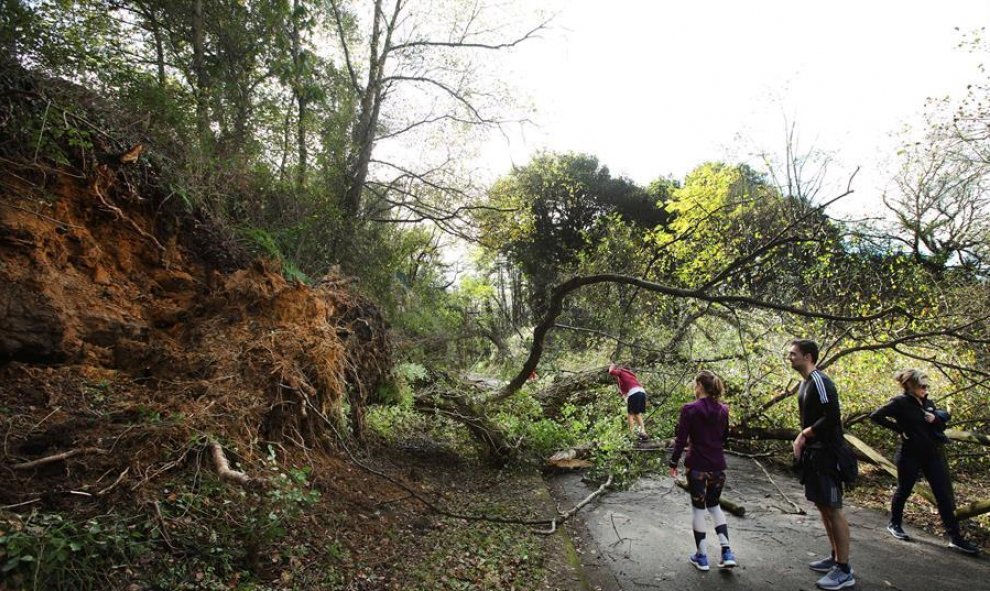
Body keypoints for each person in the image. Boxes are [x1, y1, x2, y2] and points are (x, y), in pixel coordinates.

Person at [869, 369, 981, 555]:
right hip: (909, 454)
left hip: (932, 455)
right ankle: (894, 523)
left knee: (943, 495)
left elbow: (940, 425)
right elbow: (875, 416)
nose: (925, 389)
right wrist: (899, 429)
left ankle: (955, 538)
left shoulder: (928, 403)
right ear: (911, 386)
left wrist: (935, 418)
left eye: (927, 385)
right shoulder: (899, 402)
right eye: (922, 385)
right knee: (904, 490)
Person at [788, 339, 855, 591]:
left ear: (808, 356)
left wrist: (804, 434)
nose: (789, 357)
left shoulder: (820, 381)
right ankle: (835, 556)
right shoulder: (803, 383)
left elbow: (832, 417)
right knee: (823, 507)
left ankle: (844, 569)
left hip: (829, 455)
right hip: (814, 456)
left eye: (793, 354)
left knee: (834, 507)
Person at [668, 370, 737, 571]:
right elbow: (724, 437)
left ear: (699, 385)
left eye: (694, 384)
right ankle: (727, 552)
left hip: (697, 466)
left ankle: (702, 556)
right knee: (714, 506)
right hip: (718, 467)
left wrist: (673, 463)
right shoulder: (724, 410)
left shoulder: (689, 409)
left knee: (699, 509)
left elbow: (681, 440)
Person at [608, 363, 649, 441]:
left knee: (631, 414)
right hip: (642, 392)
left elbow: (611, 372)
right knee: (636, 413)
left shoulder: (621, 371)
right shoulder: (631, 375)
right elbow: (624, 392)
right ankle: (642, 431)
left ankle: (632, 433)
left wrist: (612, 365)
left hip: (634, 393)